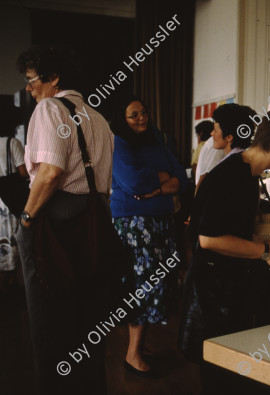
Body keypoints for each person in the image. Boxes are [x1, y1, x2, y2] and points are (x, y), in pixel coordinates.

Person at [181, 106, 270, 386]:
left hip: (225, 294)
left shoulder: (246, 173)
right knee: (222, 382)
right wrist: (265, 252)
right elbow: (210, 238)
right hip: (214, 298)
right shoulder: (235, 177)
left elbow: (232, 230)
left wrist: (267, 244)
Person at [16, 44, 114, 394]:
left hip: (56, 221)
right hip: (97, 218)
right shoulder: (98, 117)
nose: (29, 88)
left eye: (31, 80)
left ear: (53, 77)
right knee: (90, 323)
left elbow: (51, 171)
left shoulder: (48, 108)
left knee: (50, 326)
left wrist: (26, 218)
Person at [110, 97, 187, 377]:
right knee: (141, 285)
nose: (142, 118)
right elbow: (133, 182)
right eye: (134, 115)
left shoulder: (156, 140)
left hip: (161, 222)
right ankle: (132, 353)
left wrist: (156, 189)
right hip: (135, 224)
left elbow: (181, 177)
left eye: (144, 112)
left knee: (158, 284)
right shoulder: (117, 142)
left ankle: (139, 345)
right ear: (122, 119)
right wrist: (163, 179)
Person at [0, 104, 28, 291]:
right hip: (10, 199)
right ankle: (12, 279)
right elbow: (23, 171)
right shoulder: (12, 143)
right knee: (12, 237)